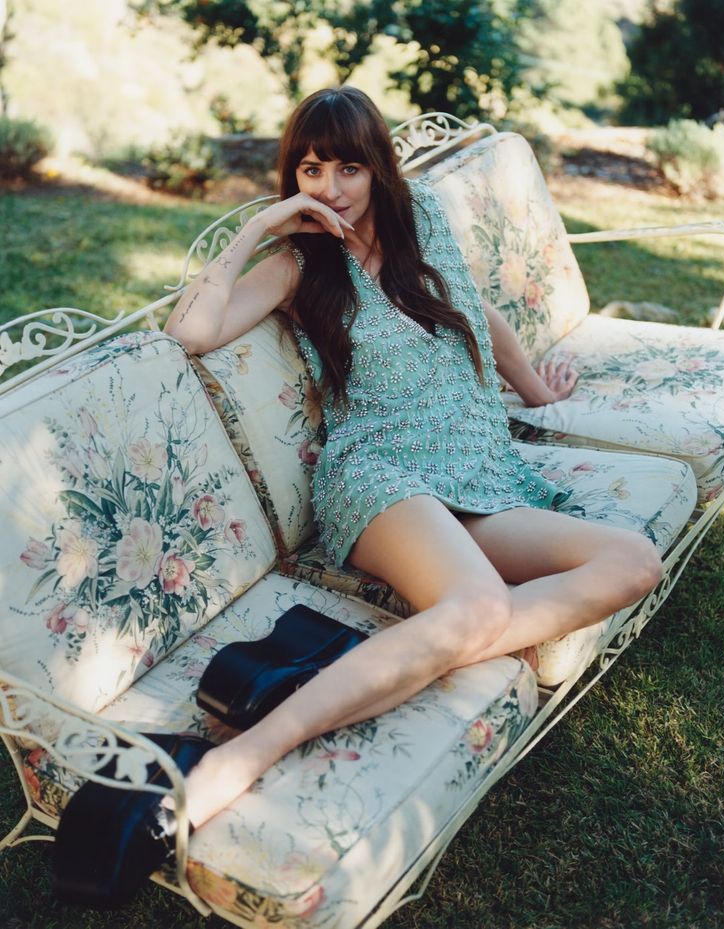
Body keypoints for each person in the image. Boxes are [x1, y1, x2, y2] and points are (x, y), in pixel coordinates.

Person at [54, 87, 663, 904]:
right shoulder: (301, 265)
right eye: (312, 167)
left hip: (479, 474)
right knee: (478, 607)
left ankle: (374, 658)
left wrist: (536, 394)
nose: (332, 186)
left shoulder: (423, 232)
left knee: (631, 562)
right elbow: (189, 334)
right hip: (380, 475)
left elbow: (475, 314)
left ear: (377, 166)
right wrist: (256, 230)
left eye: (348, 165)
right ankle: (245, 754)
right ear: (294, 175)